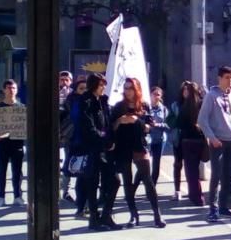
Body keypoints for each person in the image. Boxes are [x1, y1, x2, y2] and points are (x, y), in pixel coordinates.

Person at [111, 78, 166, 228]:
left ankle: (157, 214)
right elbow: (111, 127)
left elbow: (149, 127)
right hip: (123, 146)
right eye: (126, 88)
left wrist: (136, 120)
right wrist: (120, 121)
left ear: (136, 90)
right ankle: (134, 215)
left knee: (147, 179)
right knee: (127, 182)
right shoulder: (118, 107)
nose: (127, 91)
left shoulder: (143, 106)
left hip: (139, 145)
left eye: (130, 88)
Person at [198, 66, 231, 223]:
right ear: (220, 78)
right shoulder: (211, 96)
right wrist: (212, 137)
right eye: (227, 77)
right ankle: (213, 209)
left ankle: (223, 205)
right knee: (216, 174)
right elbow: (202, 120)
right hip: (218, 141)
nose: (230, 80)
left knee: (227, 175)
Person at [76, 74, 119, 231]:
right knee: (92, 184)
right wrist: (105, 141)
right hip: (91, 149)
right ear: (94, 85)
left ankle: (106, 215)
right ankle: (94, 219)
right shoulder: (85, 101)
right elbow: (89, 127)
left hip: (105, 150)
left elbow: (107, 124)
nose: (103, 88)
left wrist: (111, 140)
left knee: (115, 181)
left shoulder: (103, 100)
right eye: (101, 85)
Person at [0, 80, 26, 207]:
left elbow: (24, 127)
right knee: (2, 172)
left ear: (17, 90)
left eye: (14, 88)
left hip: (17, 145)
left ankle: (18, 196)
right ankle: (1, 197)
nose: (11, 90)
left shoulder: (22, 108)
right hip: (2, 145)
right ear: (4, 90)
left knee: (17, 172)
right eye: (8, 88)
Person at [61, 78, 87, 205]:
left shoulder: (89, 100)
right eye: (81, 88)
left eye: (86, 88)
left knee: (83, 165)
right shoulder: (71, 101)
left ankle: (81, 193)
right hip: (72, 137)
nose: (84, 91)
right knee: (70, 163)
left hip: (85, 137)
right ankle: (65, 191)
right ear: (76, 90)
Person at [147, 86, 170, 186]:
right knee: (145, 164)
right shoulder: (146, 108)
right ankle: (143, 183)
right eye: (154, 94)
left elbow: (169, 125)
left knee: (156, 164)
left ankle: (152, 186)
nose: (156, 96)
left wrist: (158, 125)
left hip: (160, 140)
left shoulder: (164, 110)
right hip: (147, 139)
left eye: (158, 94)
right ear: (150, 95)